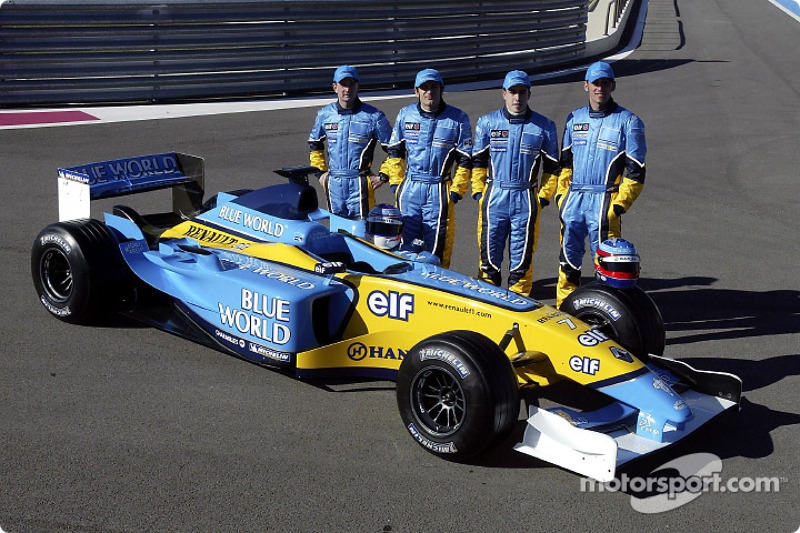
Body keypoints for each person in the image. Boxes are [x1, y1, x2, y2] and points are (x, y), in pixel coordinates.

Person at [555, 61, 647, 307]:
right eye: (595, 83)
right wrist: (562, 197)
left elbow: (636, 171)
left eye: (605, 83)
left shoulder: (629, 121)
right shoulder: (574, 118)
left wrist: (618, 206)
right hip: (574, 199)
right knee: (568, 261)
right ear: (586, 86)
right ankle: (565, 310)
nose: (600, 88)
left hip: (605, 201)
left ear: (612, 86)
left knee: (608, 266)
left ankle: (606, 312)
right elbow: (564, 164)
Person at [470, 70, 560, 296]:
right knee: (489, 259)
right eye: (512, 92)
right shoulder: (487, 122)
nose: (517, 98)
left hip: (525, 199)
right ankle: (488, 304)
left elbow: (552, 169)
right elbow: (477, 162)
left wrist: (542, 198)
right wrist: (479, 193)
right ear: (504, 93)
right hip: (494, 195)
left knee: (521, 262)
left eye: (522, 92)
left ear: (529, 94)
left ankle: (518, 306)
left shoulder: (545, 126)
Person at [382, 68, 472, 268]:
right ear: (416, 91)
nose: (429, 92)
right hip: (410, 188)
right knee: (405, 246)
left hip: (439, 189)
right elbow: (395, 152)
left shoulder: (458, 118)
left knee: (436, 248)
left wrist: (455, 192)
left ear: (442, 89)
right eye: (424, 88)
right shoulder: (406, 114)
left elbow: (465, 160)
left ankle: (437, 289)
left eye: (434, 87)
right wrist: (396, 185)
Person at [308, 65, 393, 219]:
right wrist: (320, 173)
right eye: (343, 84)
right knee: (337, 232)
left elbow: (395, 149)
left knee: (362, 232)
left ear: (358, 87)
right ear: (335, 87)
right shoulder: (325, 115)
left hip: (360, 183)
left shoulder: (374, 116)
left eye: (351, 84)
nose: (347, 89)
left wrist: (383, 176)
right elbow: (314, 144)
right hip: (334, 184)